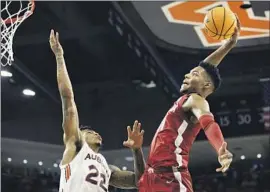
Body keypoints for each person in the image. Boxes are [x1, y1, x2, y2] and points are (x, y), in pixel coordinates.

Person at [138, 16, 241, 192]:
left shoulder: (196, 100)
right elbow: (206, 67)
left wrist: (221, 150)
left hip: (172, 177)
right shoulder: (187, 99)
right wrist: (228, 45)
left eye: (193, 74)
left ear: (206, 86)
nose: (186, 75)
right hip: (155, 175)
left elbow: (209, 124)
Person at [49, 30, 145, 192]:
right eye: (90, 131)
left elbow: (140, 181)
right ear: (80, 134)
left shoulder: (107, 167)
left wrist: (136, 151)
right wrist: (59, 57)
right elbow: (68, 99)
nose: (96, 133)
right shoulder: (75, 146)